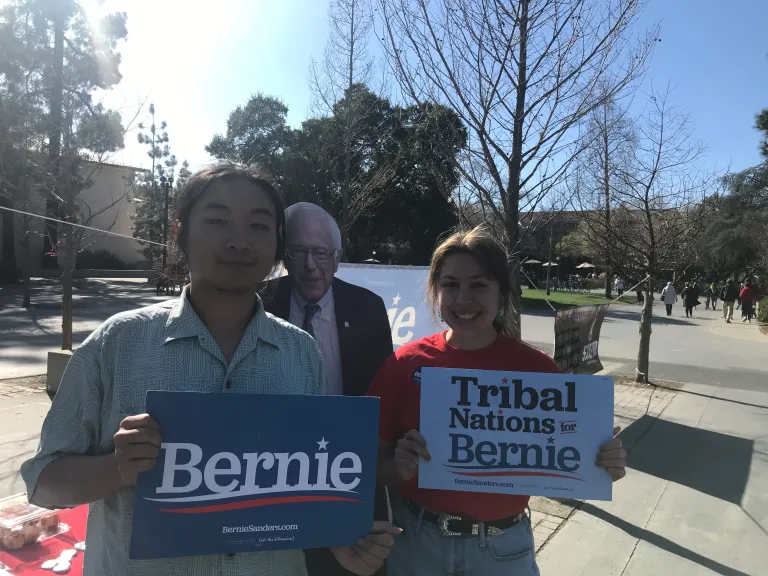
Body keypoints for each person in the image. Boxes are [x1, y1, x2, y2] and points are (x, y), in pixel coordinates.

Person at [20, 164, 399, 576]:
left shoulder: (300, 353)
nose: (238, 241)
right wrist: (116, 467)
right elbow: (43, 482)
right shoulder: (117, 343)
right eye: (218, 220)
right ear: (179, 232)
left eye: (259, 225)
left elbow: (300, 491)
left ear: (276, 245)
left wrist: (338, 541)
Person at [367, 226, 627, 576]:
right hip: (417, 544)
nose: (463, 299)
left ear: (501, 293)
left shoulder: (537, 370)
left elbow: (569, 464)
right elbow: (367, 460)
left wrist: (602, 462)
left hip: (502, 551)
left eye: (479, 285)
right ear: (435, 291)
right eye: (450, 285)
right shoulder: (406, 364)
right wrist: (395, 468)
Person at [263, 202, 394, 576]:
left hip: (345, 472)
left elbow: (379, 397)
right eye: (298, 252)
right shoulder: (258, 303)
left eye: (320, 253)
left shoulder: (368, 308)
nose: (310, 265)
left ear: (337, 258)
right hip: (273, 472)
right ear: (283, 254)